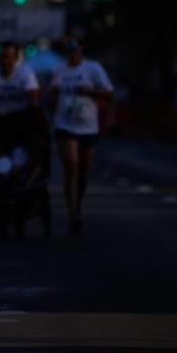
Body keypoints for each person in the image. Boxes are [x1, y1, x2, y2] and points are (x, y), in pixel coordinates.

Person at [49, 36, 113, 234]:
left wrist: (90, 91)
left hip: (88, 126)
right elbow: (52, 94)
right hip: (65, 125)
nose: (72, 53)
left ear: (81, 50)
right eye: (69, 49)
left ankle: (78, 203)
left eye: (75, 49)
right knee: (71, 167)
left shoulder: (93, 68)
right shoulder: (60, 69)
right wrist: (53, 96)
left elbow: (109, 94)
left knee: (83, 171)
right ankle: (72, 213)